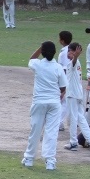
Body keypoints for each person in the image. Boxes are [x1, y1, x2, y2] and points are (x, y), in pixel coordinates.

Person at [22, 41, 67, 170]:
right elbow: (63, 87)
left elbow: (31, 58)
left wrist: (40, 48)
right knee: (51, 132)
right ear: (54, 53)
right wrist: (59, 95)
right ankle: (50, 162)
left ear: (42, 52)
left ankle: (29, 159)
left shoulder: (38, 64)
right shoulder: (58, 67)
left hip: (39, 102)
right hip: (54, 103)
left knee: (35, 130)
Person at [63, 42, 90, 151]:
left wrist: (76, 56)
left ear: (75, 52)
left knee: (73, 119)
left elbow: (73, 63)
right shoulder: (76, 63)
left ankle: (73, 143)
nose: (68, 53)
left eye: (70, 51)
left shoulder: (74, 62)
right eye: (68, 51)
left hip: (72, 95)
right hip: (78, 94)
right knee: (80, 118)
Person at [54, 30, 73, 132]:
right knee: (64, 101)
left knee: (64, 101)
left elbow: (65, 68)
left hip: (65, 79)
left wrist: (63, 84)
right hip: (66, 79)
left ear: (62, 40)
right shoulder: (67, 50)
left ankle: (59, 122)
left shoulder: (64, 52)